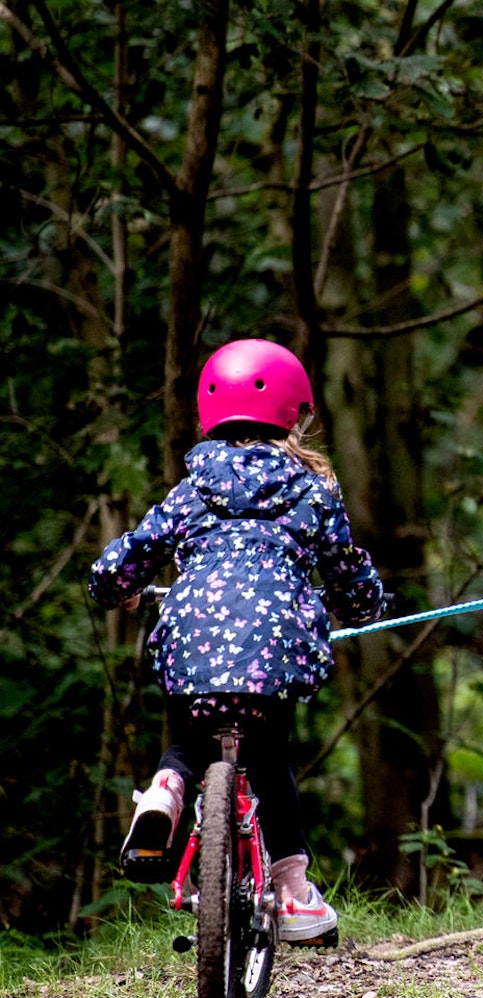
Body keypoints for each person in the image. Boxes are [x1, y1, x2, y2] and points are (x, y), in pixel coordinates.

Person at [89, 338, 389, 942]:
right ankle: (293, 895)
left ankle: (165, 794)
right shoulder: (311, 491)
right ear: (296, 414)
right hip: (272, 650)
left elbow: (123, 562)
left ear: (208, 414)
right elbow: (350, 575)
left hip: (191, 640)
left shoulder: (192, 490)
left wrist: (116, 590)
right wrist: (363, 603)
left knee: (186, 743)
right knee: (270, 759)